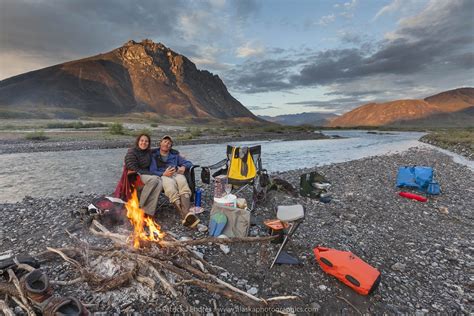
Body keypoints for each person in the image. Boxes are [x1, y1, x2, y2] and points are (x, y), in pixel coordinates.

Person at [150, 135, 199, 228]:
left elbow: (188, 163)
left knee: (182, 181)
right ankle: (185, 215)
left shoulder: (175, 154)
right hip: (163, 175)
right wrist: (163, 173)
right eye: (165, 142)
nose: (166, 144)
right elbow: (152, 170)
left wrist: (184, 167)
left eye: (169, 143)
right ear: (160, 143)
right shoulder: (153, 154)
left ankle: (187, 214)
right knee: (170, 186)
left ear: (171, 146)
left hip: (175, 173)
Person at [124, 133, 162, 216]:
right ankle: (140, 205)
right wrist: (151, 173)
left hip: (144, 174)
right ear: (138, 141)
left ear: (149, 143)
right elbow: (133, 168)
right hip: (135, 175)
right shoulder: (132, 152)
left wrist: (176, 152)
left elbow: (159, 149)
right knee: (154, 179)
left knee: (159, 183)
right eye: (142, 140)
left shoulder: (148, 152)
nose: (144, 143)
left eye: (146, 141)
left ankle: (148, 212)